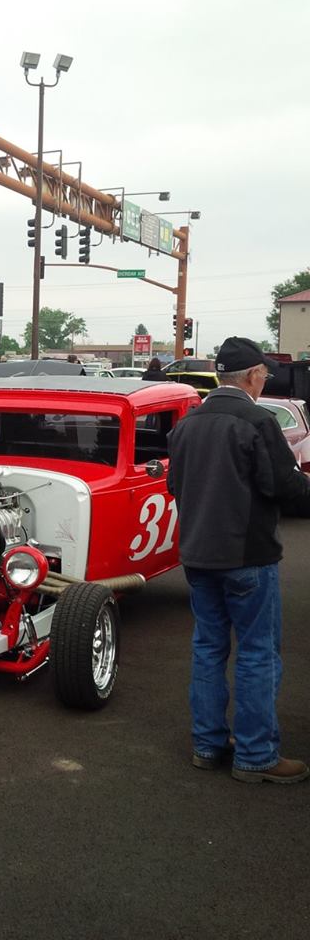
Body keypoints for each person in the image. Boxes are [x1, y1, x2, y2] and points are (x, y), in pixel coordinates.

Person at [167, 336, 310, 784]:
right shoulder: (257, 420)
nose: (264, 380)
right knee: (257, 654)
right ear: (251, 376)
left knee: (208, 649)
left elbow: (175, 485)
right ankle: (256, 755)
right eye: (264, 374)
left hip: (197, 554)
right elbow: (283, 487)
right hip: (247, 555)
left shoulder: (188, 423)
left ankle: (208, 745)